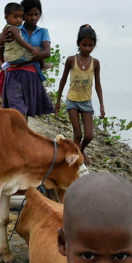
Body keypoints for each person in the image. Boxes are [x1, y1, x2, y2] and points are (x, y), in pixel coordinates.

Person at [53, 25, 105, 161]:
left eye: (90, 45)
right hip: (72, 101)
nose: (87, 48)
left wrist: (102, 105)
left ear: (94, 45)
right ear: (78, 44)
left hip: (86, 101)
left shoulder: (95, 63)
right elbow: (63, 80)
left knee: (89, 135)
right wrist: (58, 101)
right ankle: (76, 160)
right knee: (78, 133)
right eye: (84, 45)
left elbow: (98, 85)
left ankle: (80, 151)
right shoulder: (71, 60)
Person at [0, 0, 55, 118]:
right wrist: (0, 42)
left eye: (37, 14)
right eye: (29, 14)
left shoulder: (43, 32)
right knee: (18, 111)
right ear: (23, 14)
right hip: (15, 75)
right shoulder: (13, 29)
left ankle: (21, 136)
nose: (33, 18)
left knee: (26, 111)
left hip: (32, 76)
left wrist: (21, 63)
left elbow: (47, 52)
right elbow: (1, 51)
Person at [0, 2, 28, 106]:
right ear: (6, 17)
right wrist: (5, 67)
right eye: (15, 17)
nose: (19, 20)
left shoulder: (22, 33)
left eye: (21, 17)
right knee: (4, 103)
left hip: (18, 73)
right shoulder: (5, 34)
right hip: (6, 72)